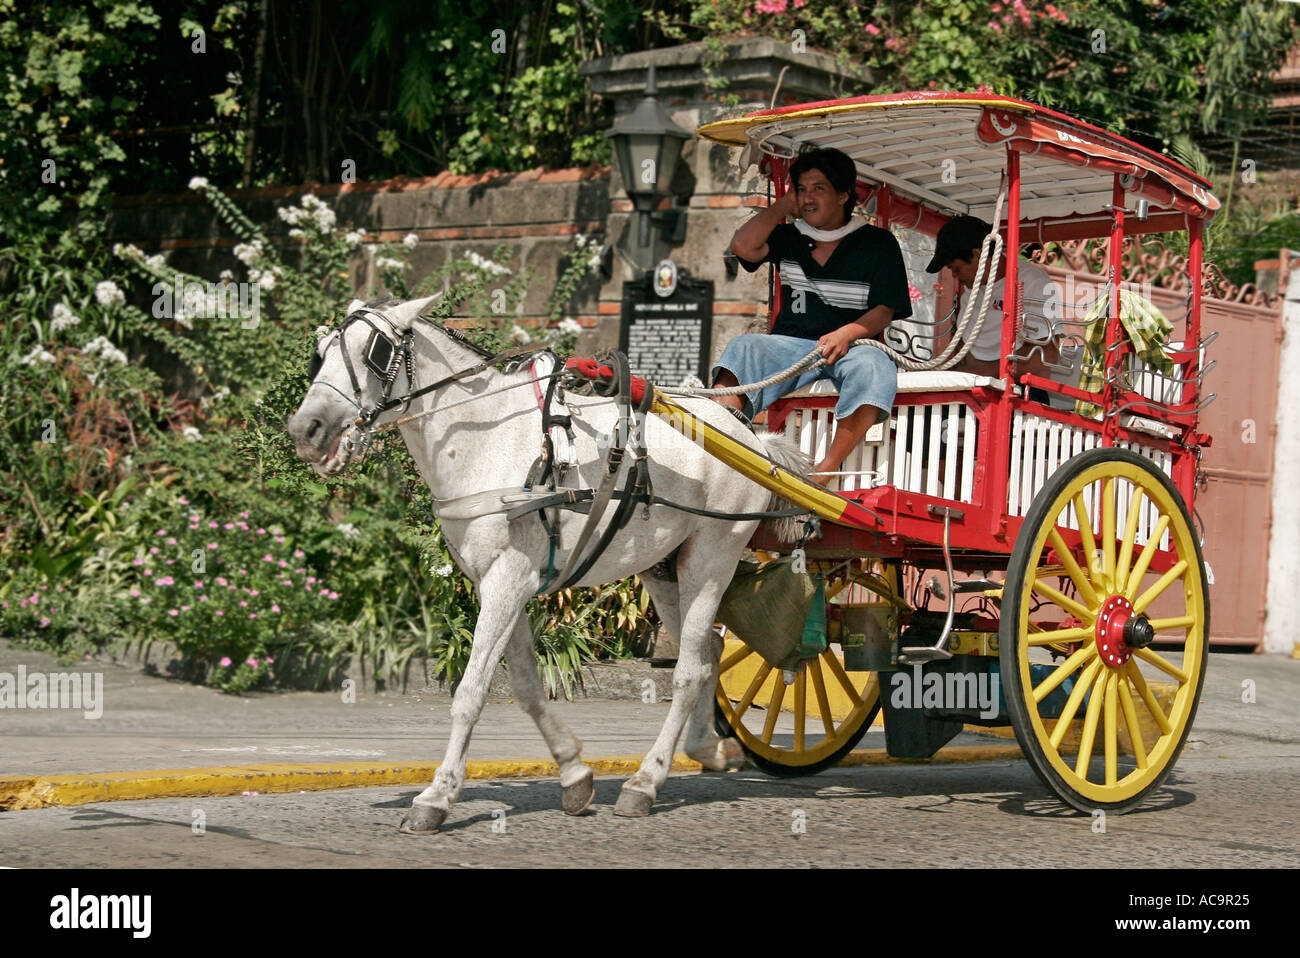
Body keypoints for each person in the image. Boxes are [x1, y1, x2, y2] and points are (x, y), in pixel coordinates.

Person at [713, 147, 912, 484]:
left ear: (843, 195)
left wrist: (847, 333)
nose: (807, 198)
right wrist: (782, 206)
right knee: (745, 347)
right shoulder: (789, 236)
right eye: (802, 189)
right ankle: (721, 452)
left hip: (853, 345)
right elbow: (743, 247)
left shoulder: (878, 243)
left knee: (875, 367)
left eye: (818, 188)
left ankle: (823, 472)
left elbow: (884, 310)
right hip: (791, 344)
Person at [925, 215, 1081, 409]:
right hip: (977, 390)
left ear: (978, 255)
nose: (955, 276)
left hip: (1020, 395)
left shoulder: (1033, 281)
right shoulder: (971, 290)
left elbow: (1042, 359)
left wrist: (981, 372)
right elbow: (964, 352)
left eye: (956, 268)